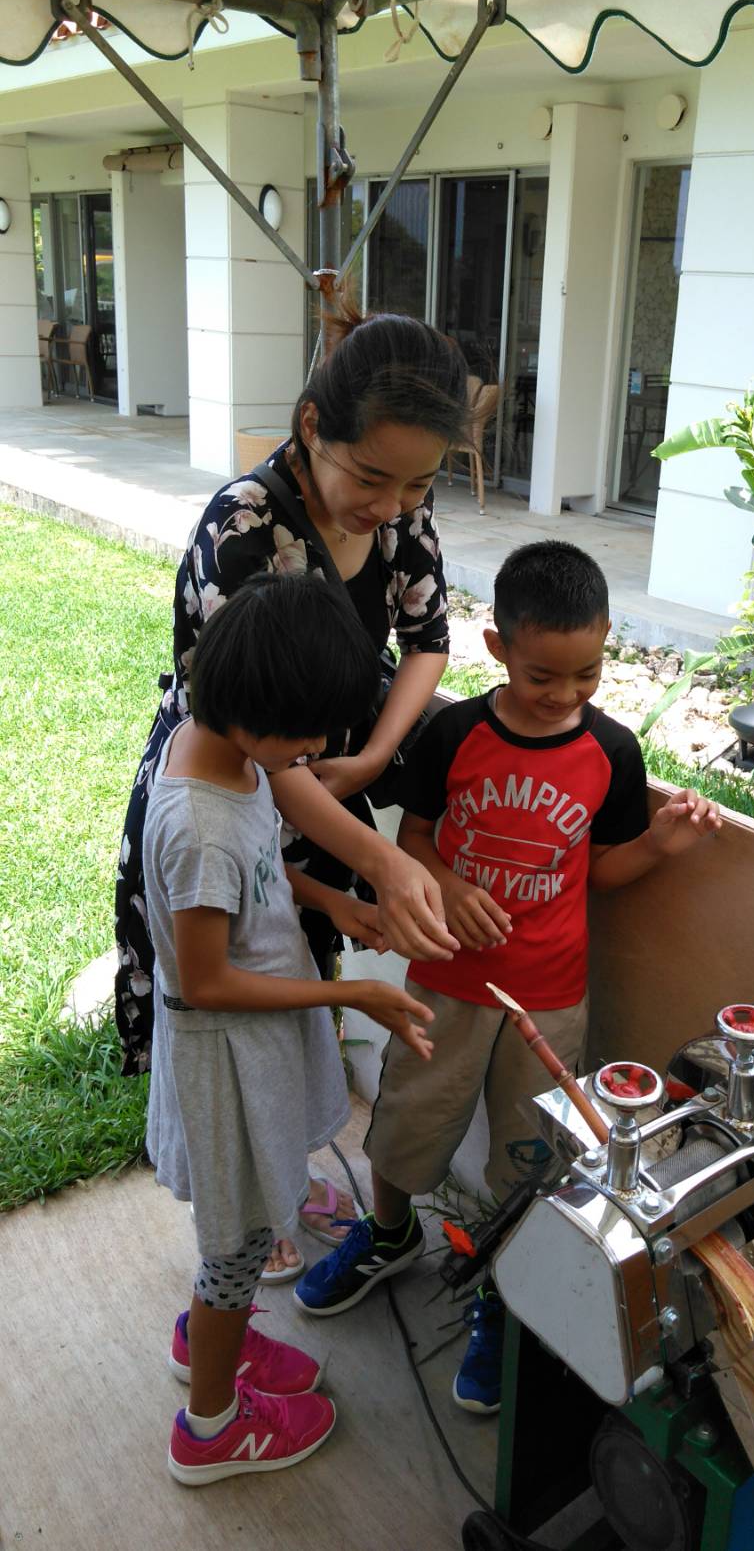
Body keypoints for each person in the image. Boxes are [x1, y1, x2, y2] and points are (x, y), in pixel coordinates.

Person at [294, 541, 722, 1415]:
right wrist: (450, 887)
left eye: (589, 672)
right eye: (542, 676)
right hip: (447, 980)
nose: (566, 694)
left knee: (533, 1155)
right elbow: (411, 843)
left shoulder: (613, 750)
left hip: (553, 994)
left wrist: (661, 845)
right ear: (497, 648)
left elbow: (600, 869)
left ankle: (499, 1288)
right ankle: (388, 1233)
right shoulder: (452, 734)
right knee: (410, 1116)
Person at [116, 302, 468, 1277]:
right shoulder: (245, 525)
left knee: (301, 992)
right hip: (250, 780)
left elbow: (428, 640)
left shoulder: (397, 510)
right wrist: (381, 852)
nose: (394, 504)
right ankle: (248, 1200)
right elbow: (264, 751)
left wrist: (361, 763)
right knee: (247, 990)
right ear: (314, 425)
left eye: (418, 482)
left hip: (315, 780)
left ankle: (276, 1163)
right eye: (371, 476)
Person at [145, 572, 435, 1485]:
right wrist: (352, 1000)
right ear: (255, 708)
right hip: (223, 1059)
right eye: (307, 733)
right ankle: (211, 1428)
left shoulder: (229, 757)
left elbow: (263, 868)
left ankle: (208, 1341)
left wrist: (331, 903)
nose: (317, 750)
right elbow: (206, 979)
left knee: (236, 1234)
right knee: (235, 1245)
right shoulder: (198, 827)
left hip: (251, 1043)